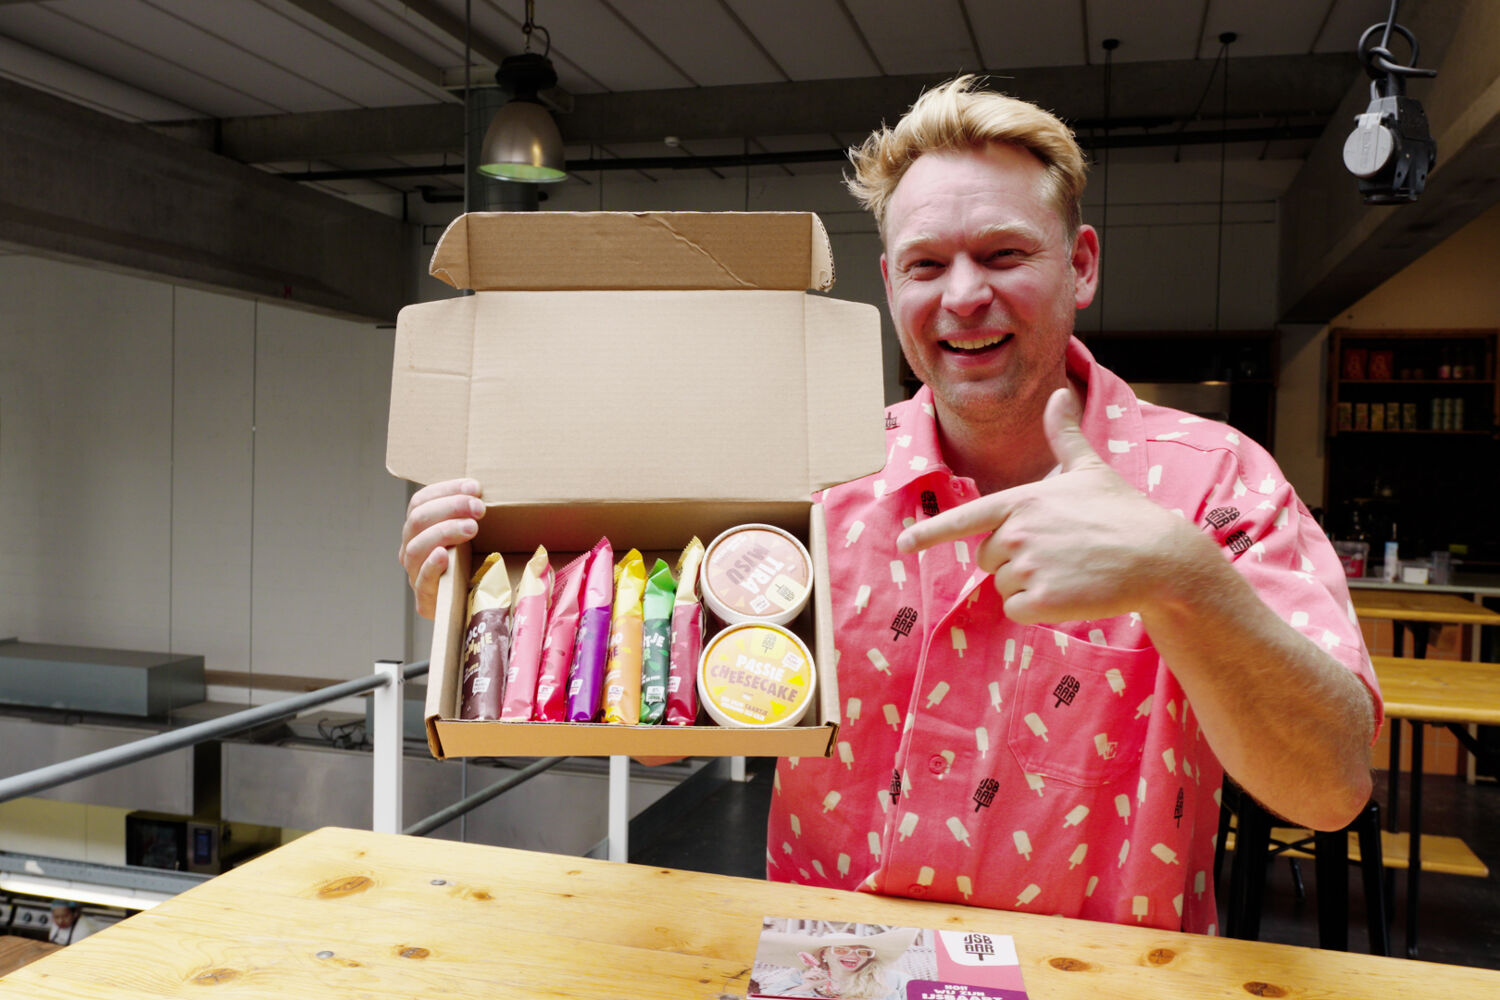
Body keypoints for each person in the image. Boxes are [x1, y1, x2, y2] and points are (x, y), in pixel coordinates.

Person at [398, 76, 1381, 935]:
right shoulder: (816, 484)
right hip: (835, 972)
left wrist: (1183, 578)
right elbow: (677, 718)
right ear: (887, 284)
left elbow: (1330, 787)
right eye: (926, 264)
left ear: (1080, 263)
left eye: (1002, 255)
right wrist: (484, 615)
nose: (963, 297)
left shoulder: (1214, 481)